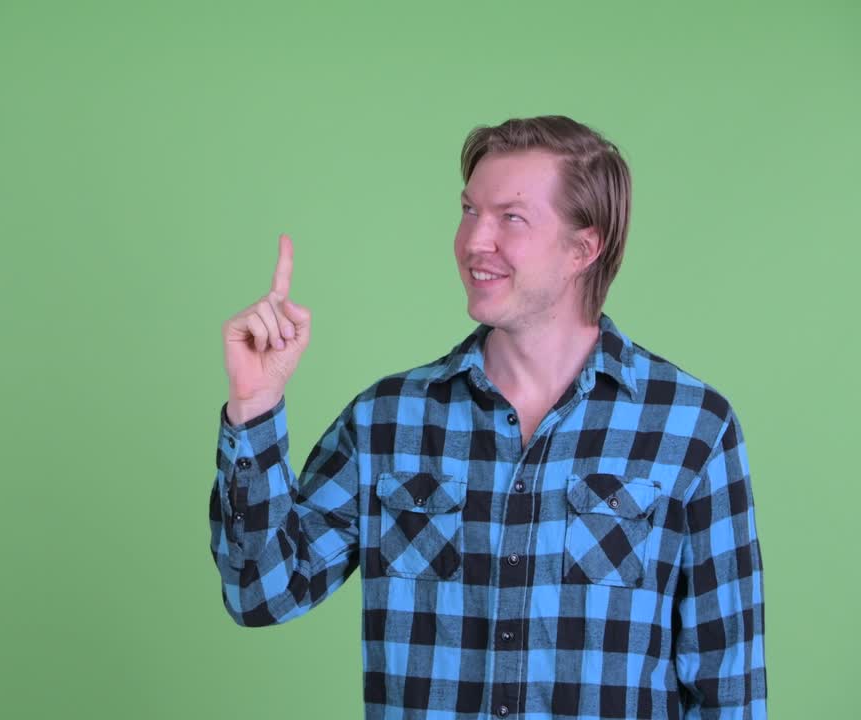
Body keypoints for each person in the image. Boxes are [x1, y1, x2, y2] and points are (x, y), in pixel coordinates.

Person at [209, 115, 767, 719]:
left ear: (583, 247)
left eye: (511, 217)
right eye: (470, 210)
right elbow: (259, 593)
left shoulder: (691, 427)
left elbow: (727, 686)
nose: (475, 240)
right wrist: (254, 405)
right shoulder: (387, 420)